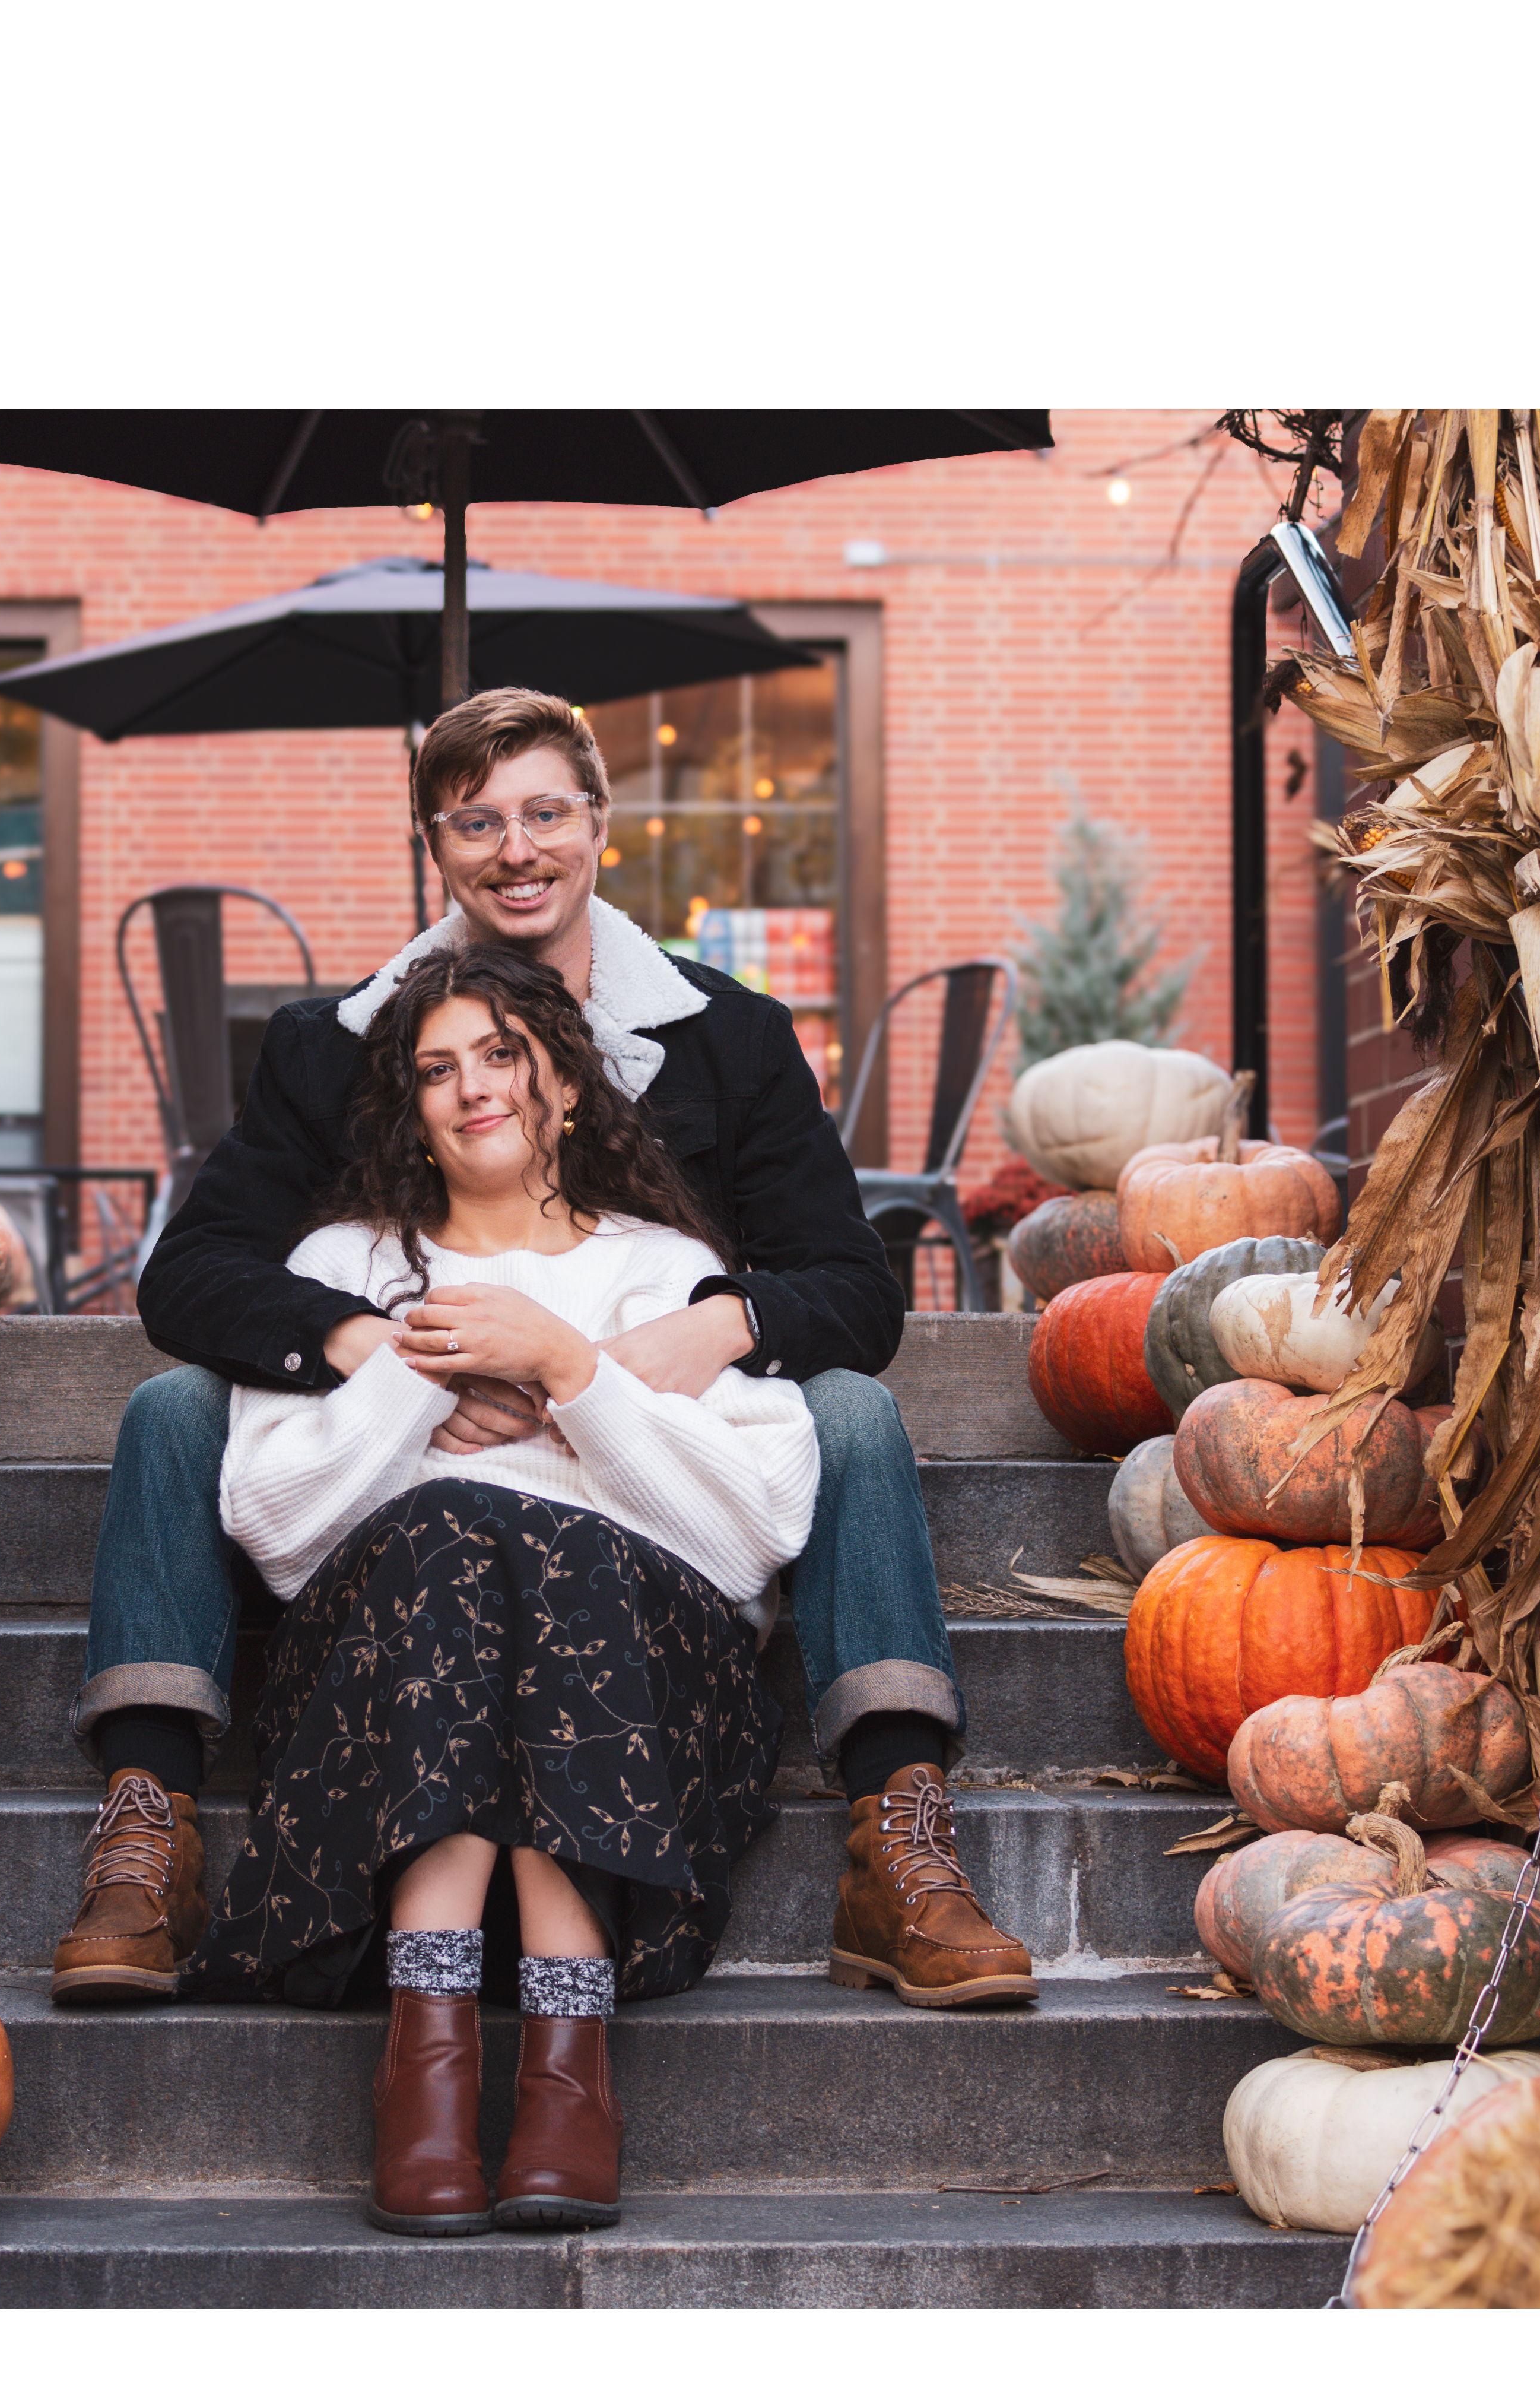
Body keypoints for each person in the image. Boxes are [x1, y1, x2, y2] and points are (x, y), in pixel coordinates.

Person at [54, 685, 1035, 2021]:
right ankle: (148, 1819)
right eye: (476, 823)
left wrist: (693, 1330)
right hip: (401, 1486)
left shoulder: (729, 1037)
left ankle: (899, 1827)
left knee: (852, 1411)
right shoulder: (336, 1047)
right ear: (435, 847)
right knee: (176, 1409)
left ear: (600, 824)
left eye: (545, 814)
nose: (516, 850)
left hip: (655, 1456)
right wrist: (378, 1345)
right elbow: (192, 1274)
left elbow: (853, 1286)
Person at [193, 943, 815, 2232]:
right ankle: (540, 2069)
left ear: (568, 1084)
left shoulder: (664, 1271)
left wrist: (570, 1371)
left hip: (643, 1684)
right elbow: (275, 1527)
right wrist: (413, 1375)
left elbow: (754, 1531)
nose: (472, 1087)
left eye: (502, 1055)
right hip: (389, 1675)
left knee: (539, 1551)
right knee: (460, 1534)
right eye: (437, 1070)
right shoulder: (345, 1270)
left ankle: (437, 2072)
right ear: (410, 1111)